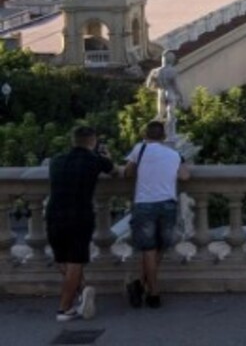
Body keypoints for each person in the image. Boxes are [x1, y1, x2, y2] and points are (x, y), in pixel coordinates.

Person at [46, 126, 116, 322]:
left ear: (73, 141)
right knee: (75, 261)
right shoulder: (94, 161)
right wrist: (107, 156)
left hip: (53, 213)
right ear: (92, 142)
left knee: (61, 260)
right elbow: (115, 171)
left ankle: (84, 290)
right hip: (79, 215)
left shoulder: (56, 161)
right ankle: (64, 308)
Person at [124, 121, 191, 310]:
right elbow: (185, 176)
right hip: (167, 204)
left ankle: (151, 292)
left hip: (145, 204)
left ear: (145, 135)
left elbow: (128, 172)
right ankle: (143, 287)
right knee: (160, 248)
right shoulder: (174, 154)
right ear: (163, 137)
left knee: (148, 250)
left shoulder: (140, 149)